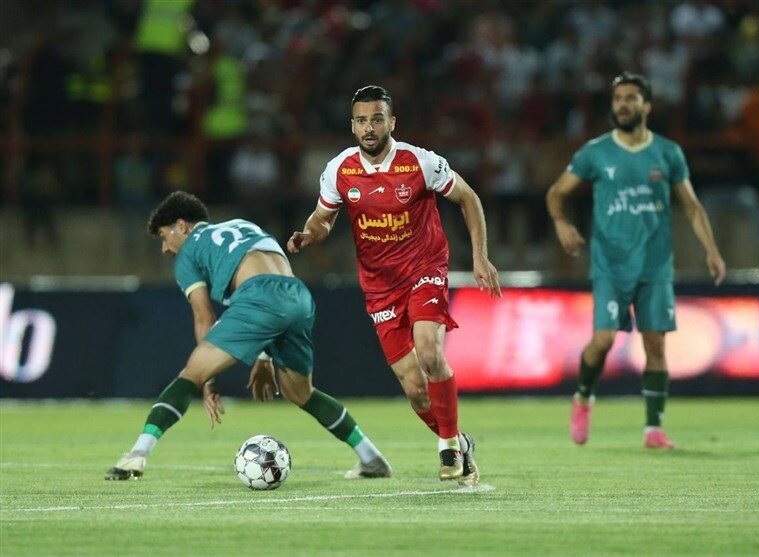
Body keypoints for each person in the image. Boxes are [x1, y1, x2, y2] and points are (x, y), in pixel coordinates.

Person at [288, 85, 502, 486]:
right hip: (380, 286)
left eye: (377, 119)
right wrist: (309, 234)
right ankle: (460, 442)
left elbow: (468, 198)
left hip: (424, 269)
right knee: (415, 389)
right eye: (362, 121)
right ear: (353, 126)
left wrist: (479, 256)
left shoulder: (421, 162)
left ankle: (447, 448)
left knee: (429, 351)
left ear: (392, 122)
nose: (369, 128)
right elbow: (323, 219)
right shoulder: (339, 170)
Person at [105, 191, 391, 480]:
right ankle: (371, 458)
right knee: (300, 392)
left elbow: (204, 317)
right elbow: (277, 287)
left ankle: (137, 454)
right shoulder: (243, 225)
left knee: (190, 375)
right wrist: (265, 356)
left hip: (258, 298)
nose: (165, 248)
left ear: (182, 226)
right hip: (297, 297)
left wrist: (207, 380)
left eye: (164, 236)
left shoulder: (188, 253)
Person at [546, 72, 726, 449]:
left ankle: (653, 429)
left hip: (655, 265)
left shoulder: (667, 152)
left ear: (647, 106)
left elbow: (691, 206)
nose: (623, 105)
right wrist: (562, 224)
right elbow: (556, 193)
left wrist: (711, 249)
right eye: (618, 99)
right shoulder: (596, 152)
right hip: (611, 264)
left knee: (655, 345)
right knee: (603, 340)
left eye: (631, 98)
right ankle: (583, 396)